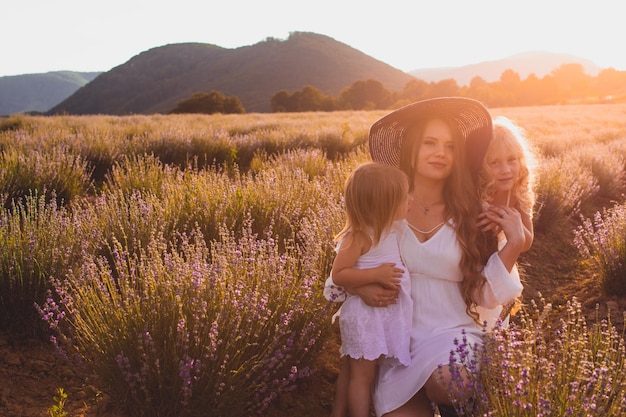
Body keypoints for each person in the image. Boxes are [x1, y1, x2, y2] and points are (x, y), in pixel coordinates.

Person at [326, 97, 525, 417]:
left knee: (450, 384)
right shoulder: (385, 204)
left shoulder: (474, 213)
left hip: (454, 334)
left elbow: (486, 296)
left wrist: (512, 244)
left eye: (449, 145)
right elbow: (347, 266)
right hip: (396, 342)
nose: (440, 153)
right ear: (411, 149)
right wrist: (360, 287)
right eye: (430, 142)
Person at [330, 162, 413, 417]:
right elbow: (339, 274)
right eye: (403, 198)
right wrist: (375, 274)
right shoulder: (358, 237)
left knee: (351, 370)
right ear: (384, 206)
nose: (410, 200)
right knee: (362, 378)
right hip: (364, 317)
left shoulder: (390, 229)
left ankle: (337, 413)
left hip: (377, 316)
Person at [476, 115, 537, 329]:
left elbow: (526, 241)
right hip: (471, 267)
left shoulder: (517, 194)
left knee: (494, 320)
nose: (506, 169)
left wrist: (510, 225)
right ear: (480, 166)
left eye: (512, 160)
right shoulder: (476, 195)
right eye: (495, 162)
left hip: (503, 261)